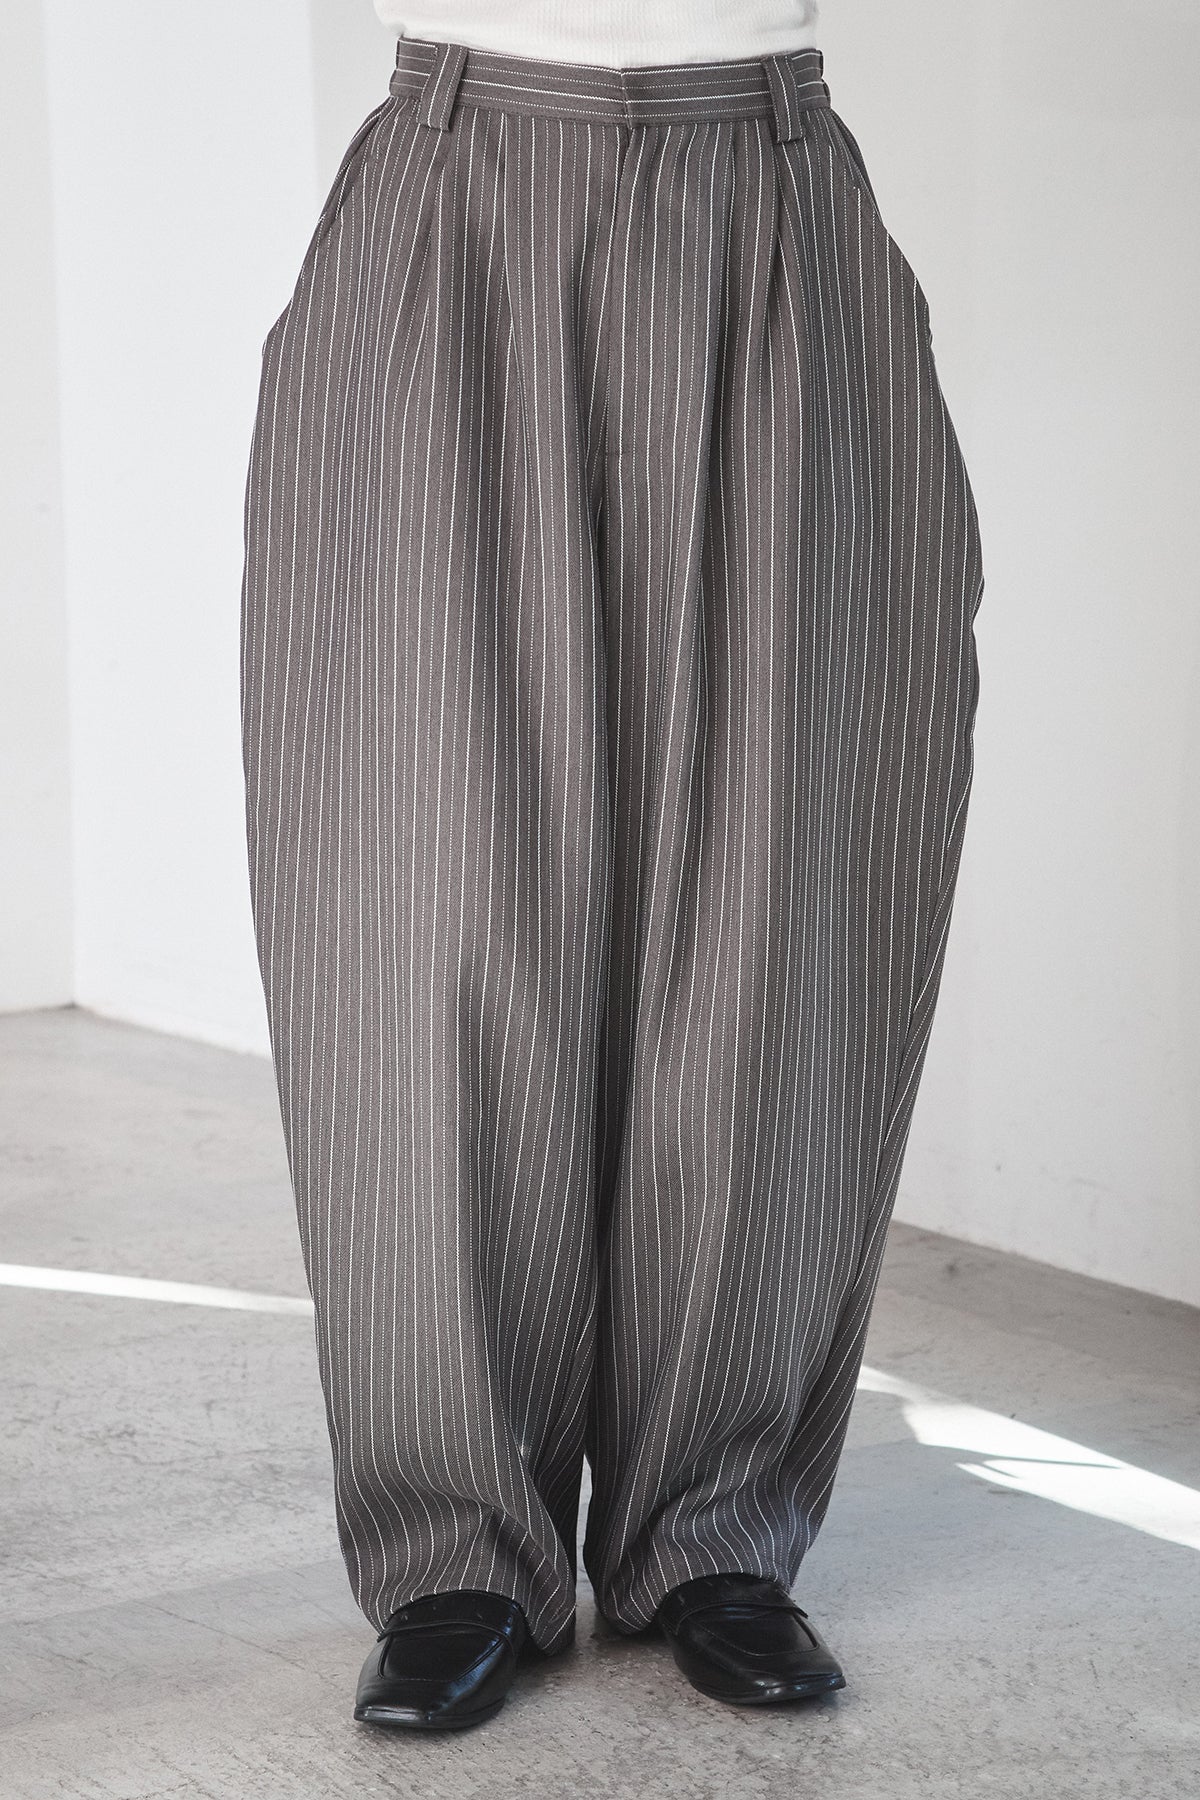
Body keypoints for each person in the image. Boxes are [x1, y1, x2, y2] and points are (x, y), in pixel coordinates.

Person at [238, 0, 984, 1731]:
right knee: (423, 900)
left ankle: (716, 1527)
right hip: (456, 195)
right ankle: (454, 1546)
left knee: (776, 895)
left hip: (773, 195)